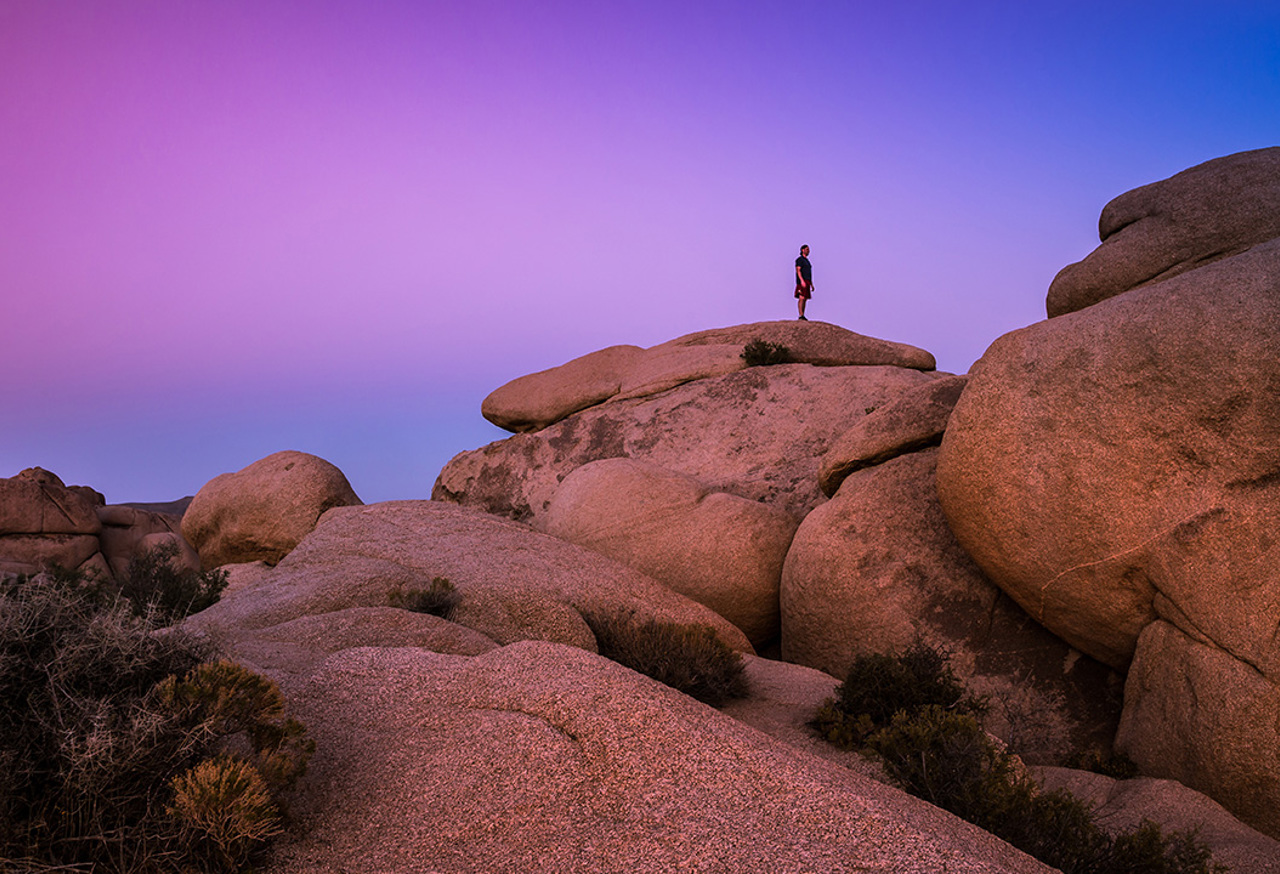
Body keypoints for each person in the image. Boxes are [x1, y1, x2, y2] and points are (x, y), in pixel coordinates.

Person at [794, 244, 813, 320]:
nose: (808, 251)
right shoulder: (800, 260)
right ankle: (800, 315)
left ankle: (803, 314)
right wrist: (801, 280)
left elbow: (809, 272)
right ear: (802, 250)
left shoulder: (807, 261)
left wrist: (811, 284)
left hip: (807, 280)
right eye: (807, 249)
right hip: (802, 281)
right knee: (801, 297)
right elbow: (798, 270)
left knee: (805, 298)